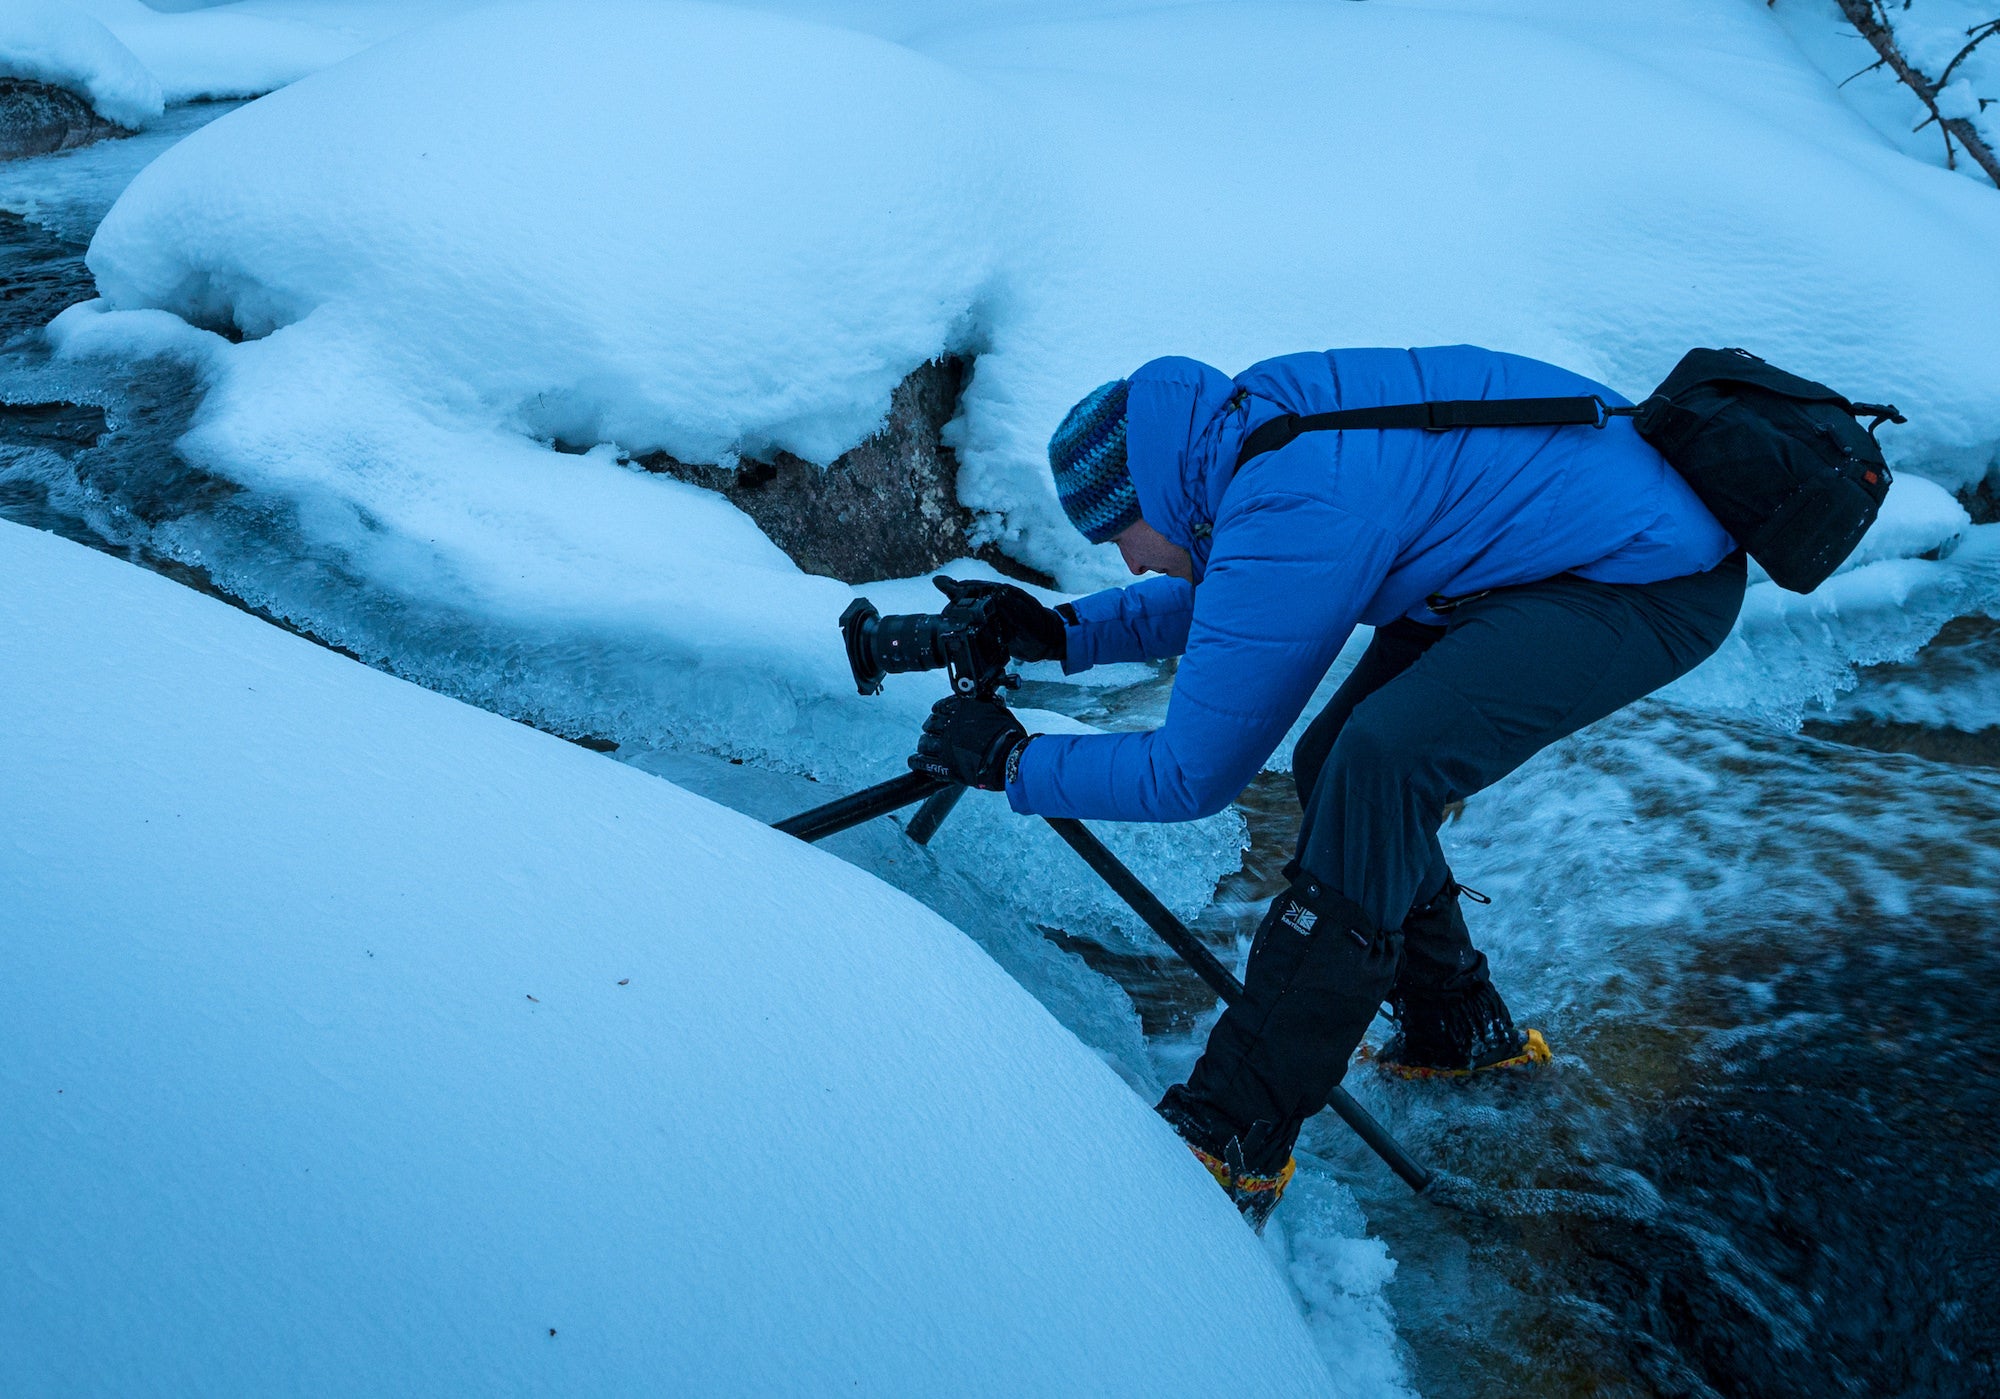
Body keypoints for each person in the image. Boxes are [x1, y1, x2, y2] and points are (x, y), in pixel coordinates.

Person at [908, 345, 1746, 1227]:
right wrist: (1060, 633)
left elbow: (1192, 774)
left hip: (1645, 577)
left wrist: (1012, 760)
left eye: (1120, 536)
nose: (1126, 564)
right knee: (1337, 757)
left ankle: (1232, 1136)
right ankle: (1456, 1031)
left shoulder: (1289, 493)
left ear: (1150, 499)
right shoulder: (1246, 434)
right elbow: (1244, 586)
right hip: (1536, 554)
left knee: (1381, 760)